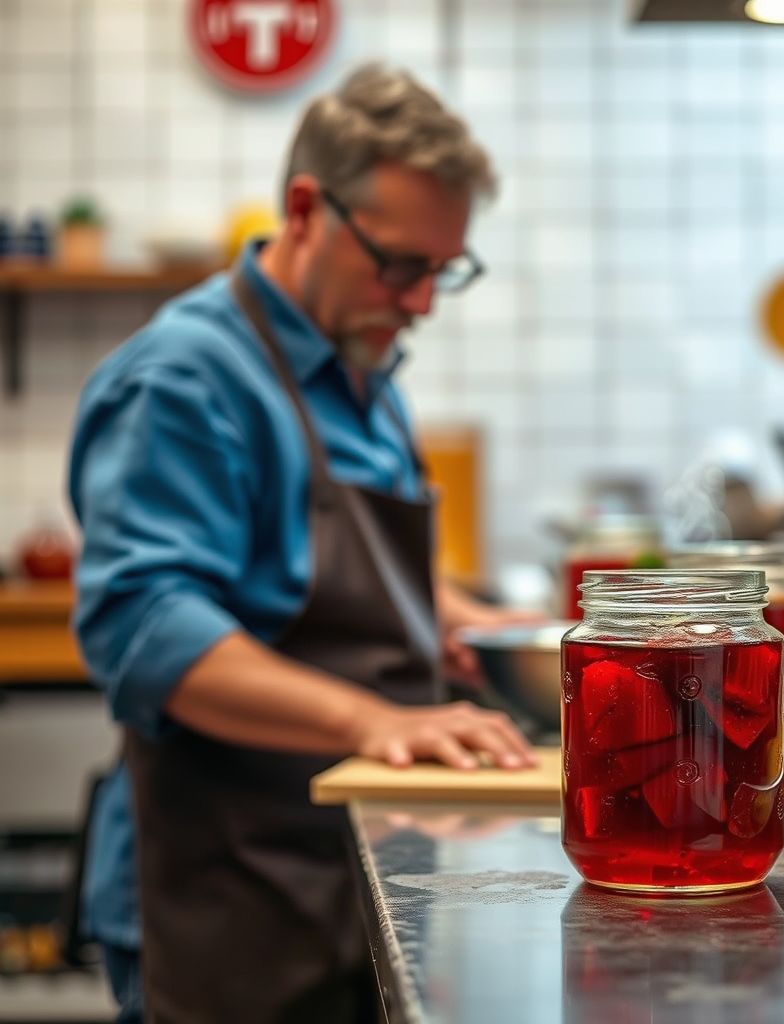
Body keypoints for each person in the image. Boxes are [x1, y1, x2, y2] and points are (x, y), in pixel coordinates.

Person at [68, 63, 538, 1024]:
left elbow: (365, 574)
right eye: (401, 265)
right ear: (304, 208)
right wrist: (373, 720)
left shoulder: (364, 369)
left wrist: (476, 625)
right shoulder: (187, 378)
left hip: (342, 865)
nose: (421, 303)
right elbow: (146, 626)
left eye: (443, 272)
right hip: (226, 883)